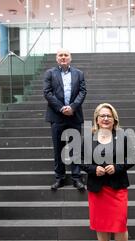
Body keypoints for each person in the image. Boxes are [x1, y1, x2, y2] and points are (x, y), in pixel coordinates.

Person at [80, 103, 135, 241]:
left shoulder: (122, 137)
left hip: (117, 187)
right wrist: (93, 169)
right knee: (101, 225)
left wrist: (117, 167)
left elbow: (132, 158)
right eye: (102, 116)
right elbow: (80, 160)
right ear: (96, 119)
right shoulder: (88, 139)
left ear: (114, 119)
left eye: (109, 116)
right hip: (97, 189)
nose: (105, 118)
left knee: (120, 224)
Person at [44, 48, 87, 191]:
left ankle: (76, 178)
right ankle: (60, 178)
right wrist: (62, 108)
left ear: (70, 58)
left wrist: (73, 107)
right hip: (57, 116)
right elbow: (47, 92)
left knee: (75, 147)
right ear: (57, 58)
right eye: (60, 55)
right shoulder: (50, 73)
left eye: (66, 55)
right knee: (58, 148)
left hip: (74, 116)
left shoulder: (79, 74)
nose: (63, 57)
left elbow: (82, 91)